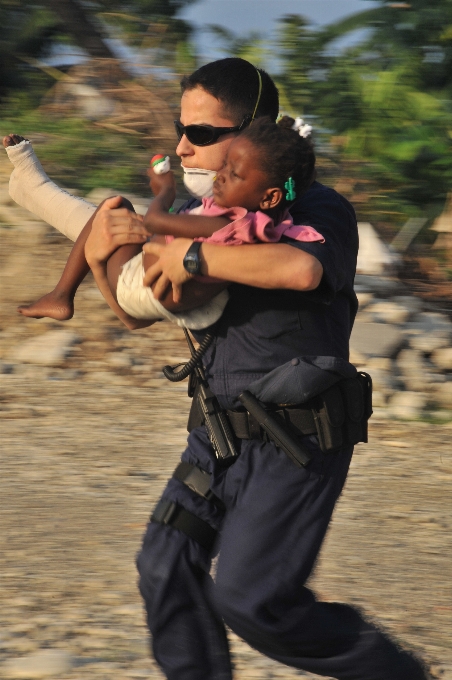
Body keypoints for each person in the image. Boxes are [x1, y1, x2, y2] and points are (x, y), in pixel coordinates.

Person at [4, 58, 428, 680]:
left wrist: (194, 256)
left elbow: (302, 270)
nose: (183, 148)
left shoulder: (316, 206)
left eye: (202, 135)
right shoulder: (208, 219)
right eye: (183, 131)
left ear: (256, 132)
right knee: (163, 566)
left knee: (254, 602)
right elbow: (141, 311)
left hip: (295, 441)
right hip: (216, 438)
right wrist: (103, 261)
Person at [3, 117, 324, 331]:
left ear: (269, 198)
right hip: (173, 299)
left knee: (115, 206)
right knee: (124, 223)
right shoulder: (259, 226)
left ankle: (61, 293)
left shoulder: (228, 224)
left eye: (234, 174)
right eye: (225, 165)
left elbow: (157, 219)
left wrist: (165, 189)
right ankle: (33, 189)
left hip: (140, 287)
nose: (221, 176)